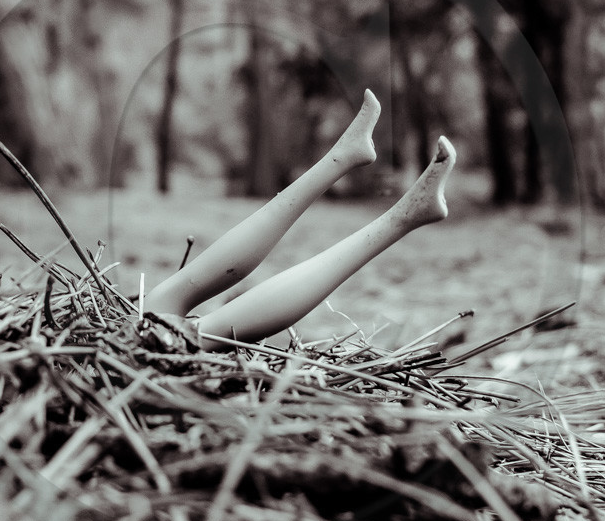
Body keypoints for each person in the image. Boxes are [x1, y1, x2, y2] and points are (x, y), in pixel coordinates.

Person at [144, 89, 456, 351]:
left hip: (131, 327)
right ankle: (403, 214)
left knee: (162, 302)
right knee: (182, 331)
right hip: (136, 348)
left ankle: (346, 156)